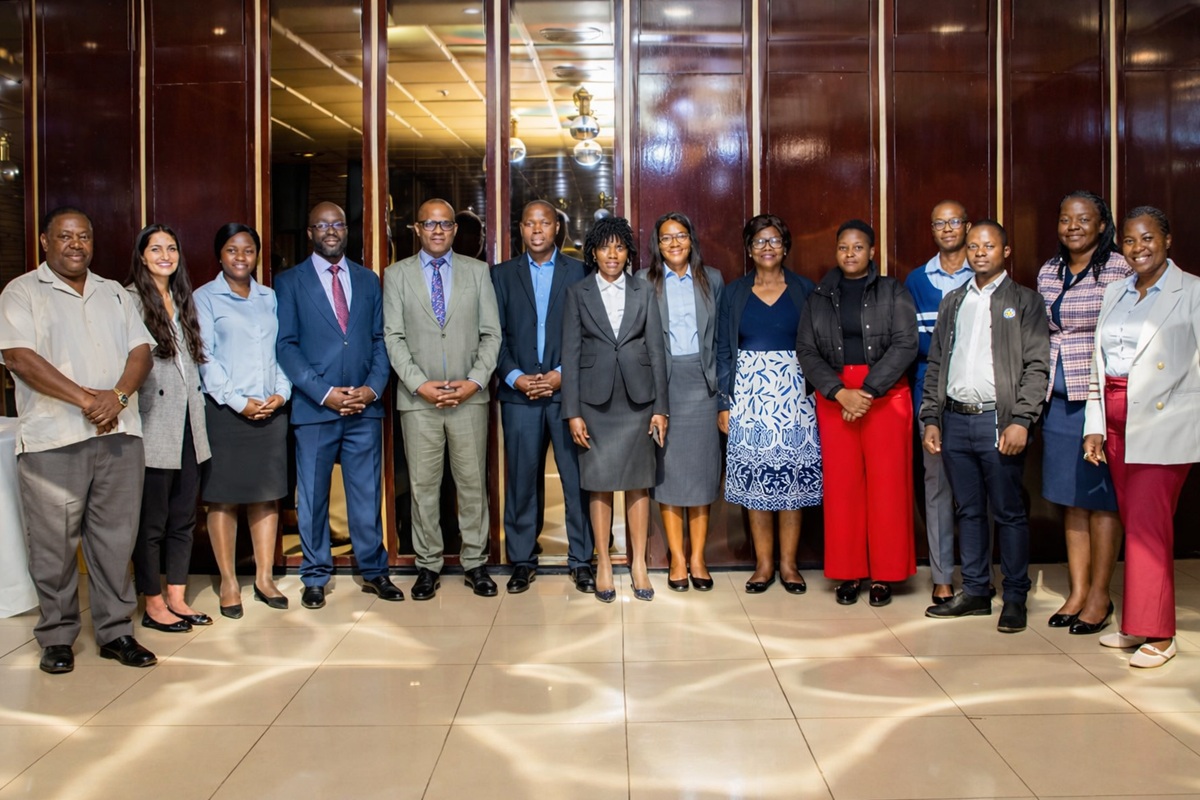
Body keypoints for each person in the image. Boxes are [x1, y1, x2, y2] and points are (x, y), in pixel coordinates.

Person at [0, 207, 157, 673]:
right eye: (65, 236)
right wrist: (88, 400)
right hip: (54, 440)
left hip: (120, 436)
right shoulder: (23, 291)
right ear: (45, 242)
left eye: (84, 236)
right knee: (53, 545)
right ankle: (57, 637)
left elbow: (141, 351)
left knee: (114, 542)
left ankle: (115, 633)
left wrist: (118, 396)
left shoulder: (114, 294)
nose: (75, 244)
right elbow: (19, 357)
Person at [1085, 206, 1200, 668]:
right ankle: (1136, 622)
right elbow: (1099, 364)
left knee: (1151, 528)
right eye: (1129, 241)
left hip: (1163, 420)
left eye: (1148, 238)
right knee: (1136, 525)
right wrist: (1094, 424)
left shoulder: (1191, 291)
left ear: (1167, 239)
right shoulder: (1116, 291)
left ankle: (1160, 632)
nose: (1138, 249)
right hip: (1115, 419)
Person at [922, 220, 1049, 634]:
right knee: (969, 510)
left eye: (989, 246)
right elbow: (937, 363)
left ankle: (1014, 597)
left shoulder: (1024, 301)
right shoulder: (953, 301)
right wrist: (931, 417)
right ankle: (976, 591)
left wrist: (1022, 420)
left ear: (1005, 252)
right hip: (956, 420)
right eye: (974, 246)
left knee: (1009, 513)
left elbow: (1036, 366)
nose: (979, 252)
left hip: (1000, 422)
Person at [275, 202, 403, 609]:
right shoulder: (289, 282)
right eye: (322, 225)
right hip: (316, 408)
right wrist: (324, 392)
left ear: (347, 230)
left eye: (338, 224)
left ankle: (374, 570)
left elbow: (381, 340)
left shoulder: (368, 281)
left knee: (366, 495)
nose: (331, 231)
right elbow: (286, 346)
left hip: (364, 407)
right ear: (310, 231)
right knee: (312, 498)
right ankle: (315, 575)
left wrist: (372, 388)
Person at [383, 198, 501, 601]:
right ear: (416, 229)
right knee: (423, 486)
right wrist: (420, 384)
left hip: (469, 399)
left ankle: (475, 563)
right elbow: (393, 338)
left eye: (445, 224)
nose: (437, 231)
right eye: (429, 224)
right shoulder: (395, 276)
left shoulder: (477, 272)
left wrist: (474, 381)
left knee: (471, 485)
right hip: (419, 402)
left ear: (454, 230)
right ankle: (428, 565)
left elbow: (492, 335)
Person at [796, 220, 918, 606]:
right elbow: (806, 350)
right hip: (836, 398)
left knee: (888, 486)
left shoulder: (892, 290)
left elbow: (905, 343)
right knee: (843, 488)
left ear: (872, 252)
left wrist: (866, 390)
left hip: (885, 394)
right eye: (844, 247)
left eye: (858, 247)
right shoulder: (819, 295)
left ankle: (885, 574)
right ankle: (848, 573)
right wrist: (838, 392)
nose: (850, 254)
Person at [561, 216, 669, 603]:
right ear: (593, 252)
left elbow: (657, 351)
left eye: (619, 247)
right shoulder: (578, 292)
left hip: (639, 402)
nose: (612, 253)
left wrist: (662, 408)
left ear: (628, 253)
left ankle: (638, 563)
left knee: (640, 481)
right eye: (605, 247)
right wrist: (572, 411)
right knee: (599, 483)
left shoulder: (645, 292)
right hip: (594, 403)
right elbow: (570, 355)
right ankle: (603, 562)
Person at [1036, 190, 1129, 633]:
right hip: (1057, 398)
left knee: (1101, 500)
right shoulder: (1049, 271)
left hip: (1099, 396)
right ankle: (1076, 591)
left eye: (1083, 219)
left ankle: (1099, 595)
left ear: (1101, 225)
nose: (1073, 226)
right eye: (1065, 218)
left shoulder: (1119, 268)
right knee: (1070, 500)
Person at [493, 200, 594, 593]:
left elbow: (589, 335)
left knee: (576, 479)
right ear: (520, 229)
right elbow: (493, 336)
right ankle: (521, 559)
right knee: (521, 480)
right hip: (518, 396)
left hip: (566, 396)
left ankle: (581, 558)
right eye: (530, 223)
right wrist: (516, 377)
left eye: (545, 223)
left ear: (557, 228)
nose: (537, 230)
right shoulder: (500, 275)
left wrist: (560, 376)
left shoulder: (579, 272)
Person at [717, 214, 821, 594]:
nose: (767, 247)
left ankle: (789, 566)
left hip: (795, 397)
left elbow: (818, 343)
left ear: (786, 247)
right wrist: (723, 402)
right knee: (756, 483)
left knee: (791, 481)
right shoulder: (734, 292)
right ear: (748, 249)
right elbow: (723, 349)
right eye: (759, 241)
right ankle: (763, 566)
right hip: (747, 396)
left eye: (774, 240)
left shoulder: (805, 289)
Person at [195, 224, 292, 619]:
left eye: (248, 250)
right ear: (220, 255)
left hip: (271, 409)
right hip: (225, 411)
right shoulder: (205, 297)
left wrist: (280, 394)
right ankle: (230, 581)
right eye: (233, 250)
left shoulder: (269, 297)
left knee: (267, 494)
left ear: (256, 255)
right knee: (224, 497)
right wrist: (239, 402)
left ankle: (265, 578)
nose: (241, 257)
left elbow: (281, 350)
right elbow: (204, 357)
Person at [125, 224, 213, 632]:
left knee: (183, 518)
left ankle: (177, 596)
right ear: (142, 256)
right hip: (153, 424)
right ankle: (154, 601)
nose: (165, 255)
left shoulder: (183, 299)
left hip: (190, 425)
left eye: (172, 248)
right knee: (152, 522)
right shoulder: (128, 300)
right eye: (155, 248)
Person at [635, 212, 724, 591]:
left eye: (681, 236)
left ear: (691, 240)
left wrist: (722, 393)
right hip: (663, 386)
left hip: (703, 385)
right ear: (657, 243)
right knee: (667, 474)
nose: (674, 243)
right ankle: (677, 558)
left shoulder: (712, 279)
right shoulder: (644, 280)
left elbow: (720, 337)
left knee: (703, 474)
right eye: (666, 237)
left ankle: (699, 558)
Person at [906, 201, 975, 603]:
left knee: (977, 487)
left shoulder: (985, 273)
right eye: (939, 223)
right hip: (930, 393)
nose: (947, 229)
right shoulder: (917, 281)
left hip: (979, 394)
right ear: (932, 230)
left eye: (954, 222)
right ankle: (942, 574)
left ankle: (978, 573)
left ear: (966, 226)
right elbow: (914, 343)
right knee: (936, 486)